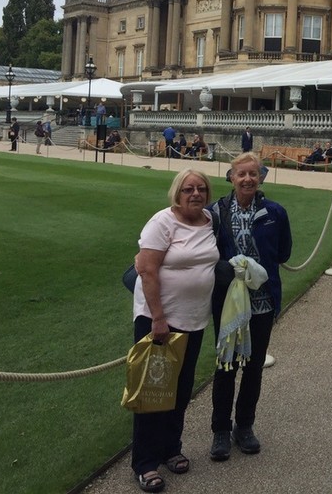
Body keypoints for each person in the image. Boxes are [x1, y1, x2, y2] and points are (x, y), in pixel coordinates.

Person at [130, 169, 218, 493]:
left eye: (201, 189)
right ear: (176, 193)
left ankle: (170, 447)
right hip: (160, 319)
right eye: (187, 189)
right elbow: (147, 270)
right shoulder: (162, 223)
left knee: (180, 389)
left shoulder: (210, 221)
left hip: (195, 319)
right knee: (153, 392)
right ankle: (145, 462)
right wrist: (157, 318)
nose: (195, 194)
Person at [208, 153, 292, 461]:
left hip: (262, 302)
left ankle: (244, 426)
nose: (247, 180)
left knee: (253, 367)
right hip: (229, 302)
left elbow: (283, 252)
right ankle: (220, 429)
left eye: (252, 174)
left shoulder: (275, 212)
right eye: (241, 174)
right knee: (226, 365)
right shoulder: (216, 212)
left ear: (261, 178)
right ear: (231, 176)